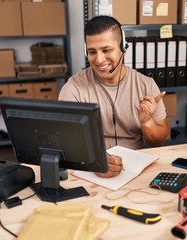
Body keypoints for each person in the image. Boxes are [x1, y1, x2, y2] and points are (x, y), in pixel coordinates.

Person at [58, 16, 168, 178]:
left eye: (106, 50)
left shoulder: (146, 85)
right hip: (89, 166)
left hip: (134, 166)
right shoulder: (73, 88)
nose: (99, 59)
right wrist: (94, 162)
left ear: (123, 47)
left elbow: (158, 141)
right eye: (92, 52)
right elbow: (66, 141)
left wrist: (147, 122)